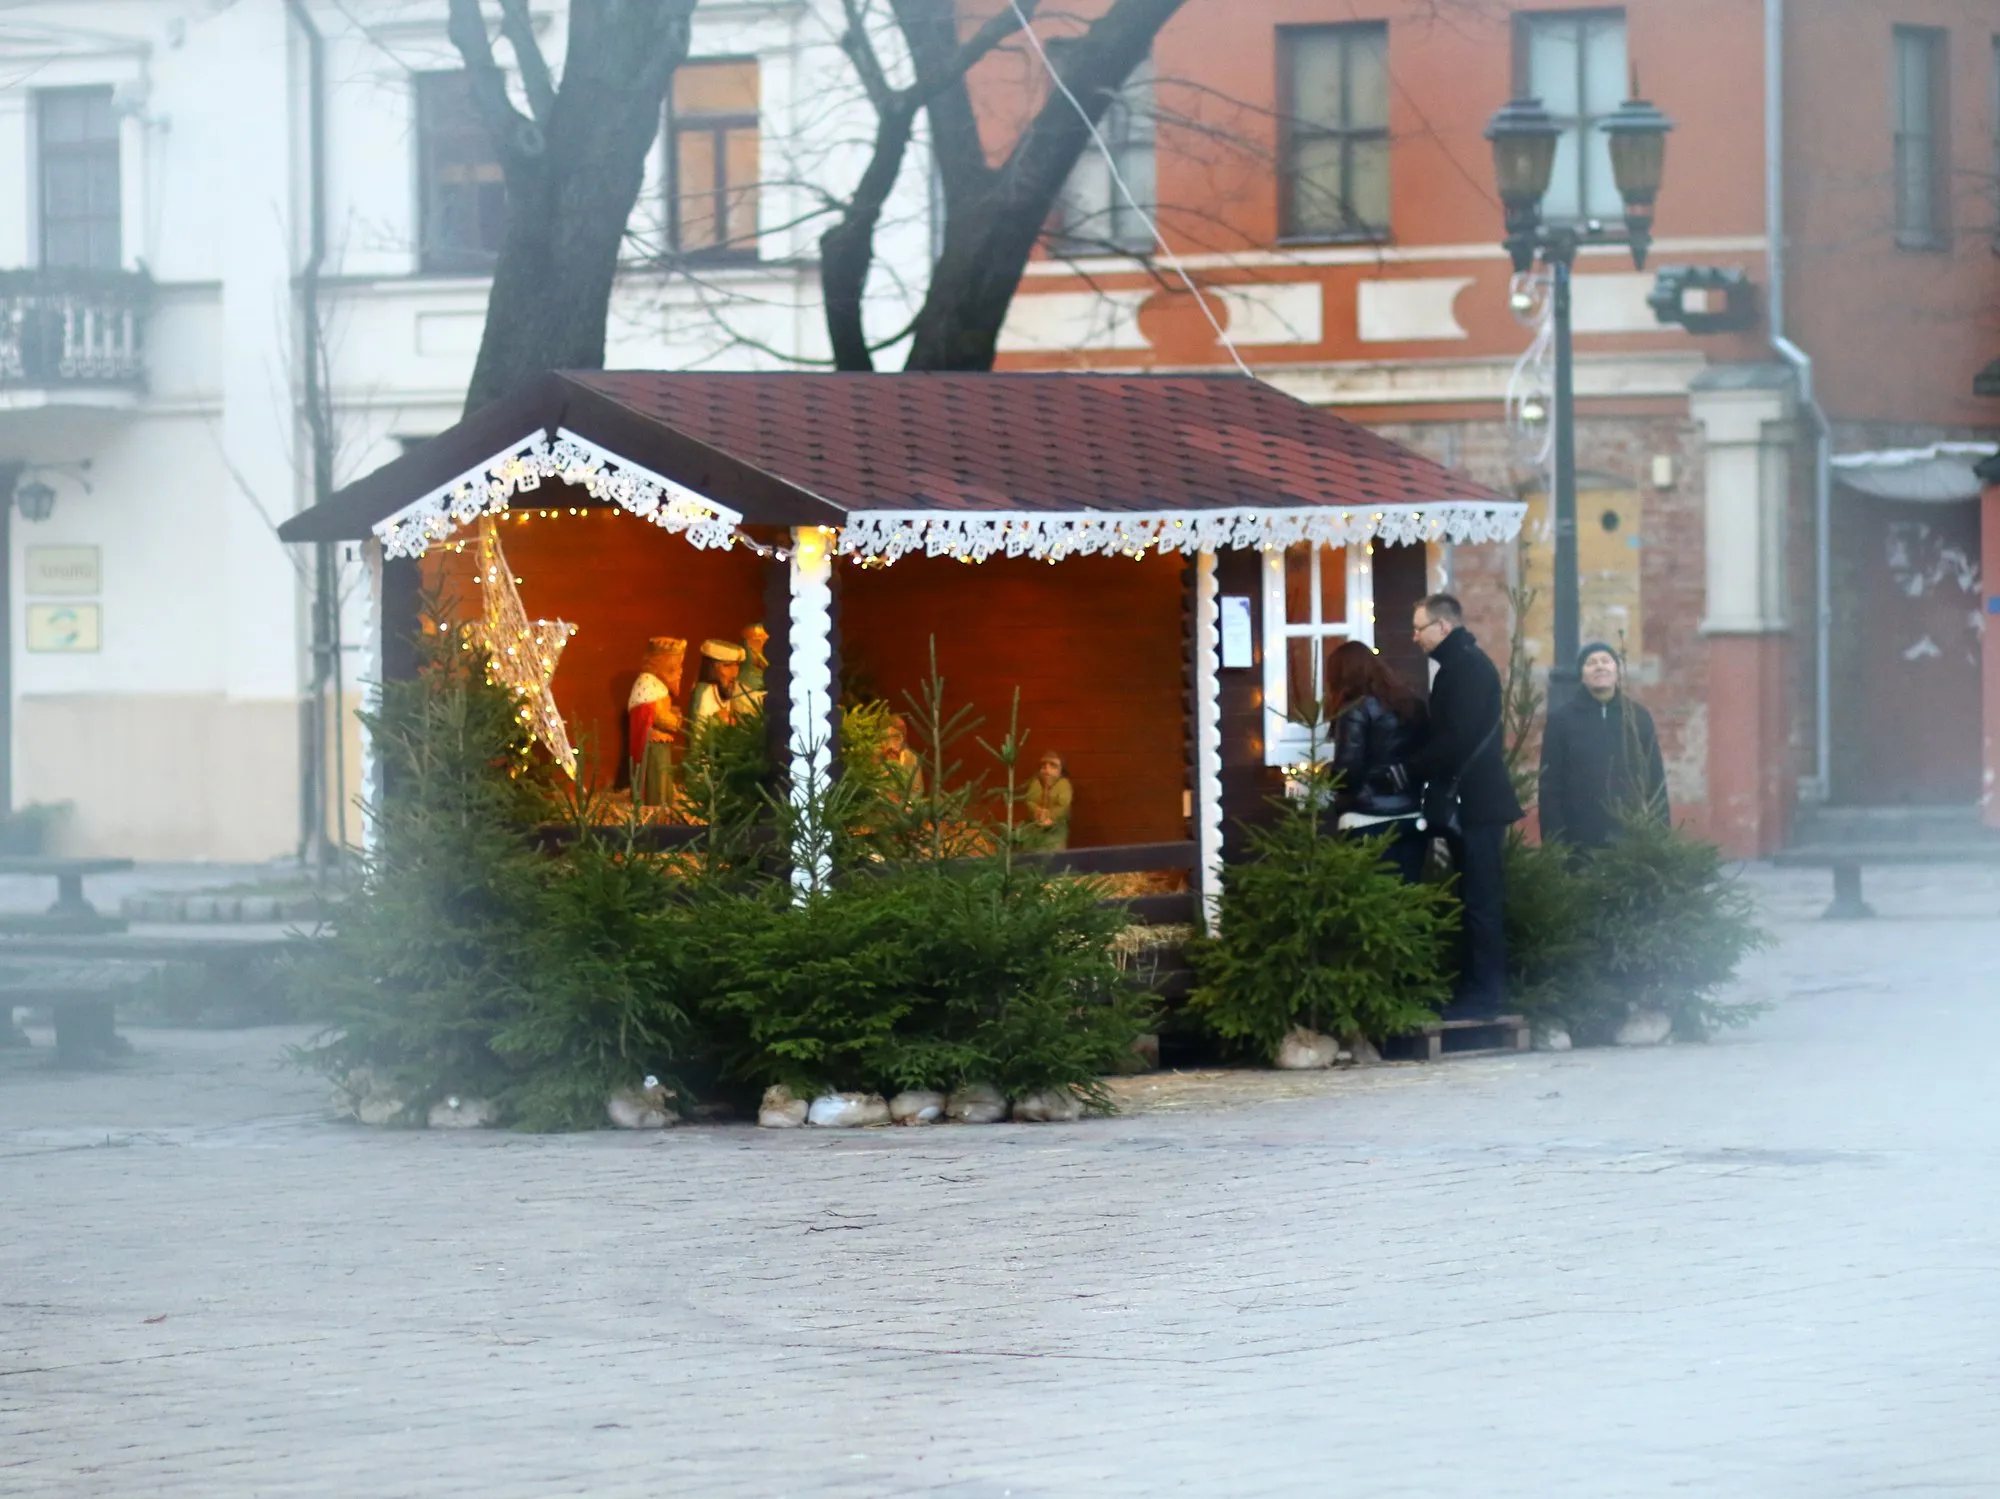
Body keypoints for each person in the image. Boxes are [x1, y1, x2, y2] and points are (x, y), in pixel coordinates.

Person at [1392, 593, 1523, 1019]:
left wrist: (1411, 768)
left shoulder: (1465, 669)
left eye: (1420, 628)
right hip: (1473, 800)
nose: (1415, 637)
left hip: (1478, 803)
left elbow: (1457, 739)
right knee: (1474, 898)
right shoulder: (1459, 666)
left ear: (1443, 626)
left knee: (1482, 901)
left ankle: (1486, 996)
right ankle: (1477, 990)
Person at [1538, 641, 1669, 854]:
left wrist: (1661, 836)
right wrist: (1555, 843)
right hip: (1579, 840)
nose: (1599, 666)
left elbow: (1655, 779)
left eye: (1606, 661)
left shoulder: (1638, 717)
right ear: (1582, 674)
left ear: (1616, 671)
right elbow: (1550, 786)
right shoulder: (1561, 721)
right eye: (1591, 663)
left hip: (1631, 841)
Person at [1322, 639, 1428, 883]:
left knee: (1369, 895)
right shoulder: (1412, 705)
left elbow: (1346, 773)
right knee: (1409, 894)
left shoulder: (1354, 710)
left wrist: (1327, 775)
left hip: (1366, 818)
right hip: (1411, 815)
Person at [626, 637, 687, 808]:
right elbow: (658, 716)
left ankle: (664, 800)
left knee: (664, 772)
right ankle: (655, 802)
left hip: (662, 742)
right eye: (674, 668)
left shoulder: (658, 685)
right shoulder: (647, 683)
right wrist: (674, 720)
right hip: (653, 743)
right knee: (657, 773)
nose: (679, 672)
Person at [690, 639, 752, 728]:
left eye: (737, 665)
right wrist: (715, 721)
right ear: (712, 669)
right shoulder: (704, 692)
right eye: (727, 665)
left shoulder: (726, 690)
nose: (734, 674)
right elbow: (697, 731)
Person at [1022, 752, 1074, 850]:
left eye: (1052, 766)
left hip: (1056, 826)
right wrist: (1037, 811)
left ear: (1060, 770)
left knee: (1053, 848)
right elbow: (1030, 801)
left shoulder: (1063, 784)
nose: (1047, 770)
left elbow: (1064, 806)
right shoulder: (1036, 783)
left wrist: (1050, 816)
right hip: (1034, 824)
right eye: (1044, 766)